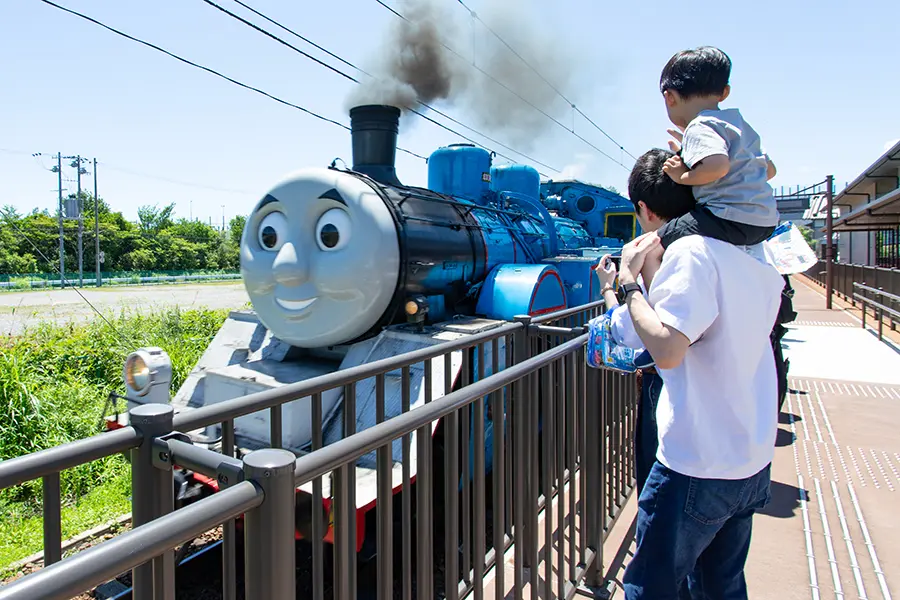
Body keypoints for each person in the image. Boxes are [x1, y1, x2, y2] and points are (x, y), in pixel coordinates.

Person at [613, 148, 784, 600]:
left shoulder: (690, 254)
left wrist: (629, 285)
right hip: (749, 457)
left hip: (697, 462)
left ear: (645, 211)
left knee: (651, 586)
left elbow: (659, 347)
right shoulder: (752, 254)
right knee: (720, 586)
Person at [593, 150, 696, 493]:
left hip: (671, 403)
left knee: (656, 493)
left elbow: (624, 335)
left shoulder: (660, 255)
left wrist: (616, 284)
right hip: (737, 441)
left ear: (645, 209)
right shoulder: (720, 248)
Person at [656, 46, 779, 250]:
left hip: (727, 218)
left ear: (670, 97)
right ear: (724, 92)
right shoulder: (739, 124)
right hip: (765, 222)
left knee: (656, 243)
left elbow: (717, 167)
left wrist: (681, 176)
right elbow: (770, 170)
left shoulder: (699, 125)